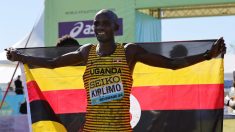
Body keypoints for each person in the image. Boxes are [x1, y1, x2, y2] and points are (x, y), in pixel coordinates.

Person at [6, 9, 225, 131]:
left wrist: (207, 55)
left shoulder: (130, 52)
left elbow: (171, 64)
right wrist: (20, 56)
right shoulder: (86, 52)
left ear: (115, 27)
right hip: (91, 129)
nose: (99, 27)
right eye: (96, 23)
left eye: (105, 23)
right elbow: (54, 63)